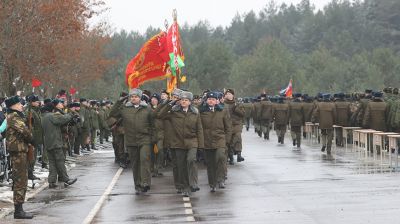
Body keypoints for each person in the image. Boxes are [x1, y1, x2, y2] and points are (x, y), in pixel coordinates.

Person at [158, 91, 204, 197]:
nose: (184, 101)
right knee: (181, 165)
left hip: (192, 141)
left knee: (191, 160)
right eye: (182, 100)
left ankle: (193, 183)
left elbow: (199, 129)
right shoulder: (174, 111)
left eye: (186, 100)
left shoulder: (195, 112)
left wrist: (201, 145)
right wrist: (169, 104)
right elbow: (160, 115)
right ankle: (185, 187)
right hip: (178, 143)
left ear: (190, 102)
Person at [109, 88, 155, 194]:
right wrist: (120, 101)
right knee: (135, 163)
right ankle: (138, 184)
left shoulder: (147, 109)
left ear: (140, 98)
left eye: (136, 96)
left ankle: (145, 183)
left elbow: (153, 124)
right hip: (131, 140)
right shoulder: (125, 108)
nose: (134, 98)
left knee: (144, 160)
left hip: (145, 139)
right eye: (132, 97)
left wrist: (153, 138)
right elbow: (112, 113)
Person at [5, 96, 34, 219]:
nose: (21, 105)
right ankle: (18, 211)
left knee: (21, 178)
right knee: (20, 180)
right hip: (18, 151)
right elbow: (25, 132)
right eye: (19, 104)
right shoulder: (14, 117)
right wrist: (32, 139)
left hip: (20, 150)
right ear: (13, 106)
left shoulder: (15, 116)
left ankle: (19, 208)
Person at [42, 99, 78, 188]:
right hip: (55, 142)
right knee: (60, 161)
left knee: (52, 162)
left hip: (48, 142)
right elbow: (63, 119)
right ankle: (66, 179)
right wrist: (71, 115)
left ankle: (52, 181)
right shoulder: (51, 116)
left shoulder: (44, 117)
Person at [200, 92, 232, 192]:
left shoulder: (223, 110)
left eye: (213, 99)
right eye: (209, 99)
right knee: (210, 163)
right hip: (207, 141)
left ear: (217, 101)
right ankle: (212, 183)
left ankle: (221, 179)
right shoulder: (201, 111)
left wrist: (227, 140)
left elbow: (228, 127)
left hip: (220, 140)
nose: (211, 101)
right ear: (206, 100)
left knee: (221, 158)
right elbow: (199, 128)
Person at [224, 89, 245, 164]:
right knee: (229, 140)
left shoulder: (237, 103)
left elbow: (242, 114)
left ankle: (239, 154)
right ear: (225, 95)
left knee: (238, 137)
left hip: (237, 124)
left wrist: (236, 108)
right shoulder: (223, 104)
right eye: (227, 94)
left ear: (233, 95)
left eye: (230, 94)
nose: (228, 95)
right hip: (227, 124)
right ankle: (231, 156)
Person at [26, 94, 42, 180]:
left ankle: (30, 172)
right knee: (31, 157)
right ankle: (29, 173)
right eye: (36, 101)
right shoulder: (29, 111)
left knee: (34, 156)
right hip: (32, 138)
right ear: (32, 102)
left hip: (36, 137)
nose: (38, 103)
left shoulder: (36, 110)